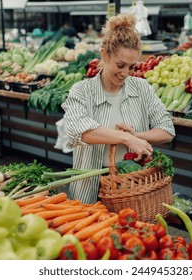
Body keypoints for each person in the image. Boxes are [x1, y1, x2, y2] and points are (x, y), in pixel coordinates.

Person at [61, 14, 175, 204]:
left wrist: (137, 135)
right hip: (91, 186)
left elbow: (167, 130)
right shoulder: (82, 91)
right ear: (105, 54)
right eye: (120, 65)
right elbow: (81, 131)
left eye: (131, 67)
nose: (125, 73)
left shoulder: (141, 88)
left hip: (132, 187)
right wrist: (127, 138)